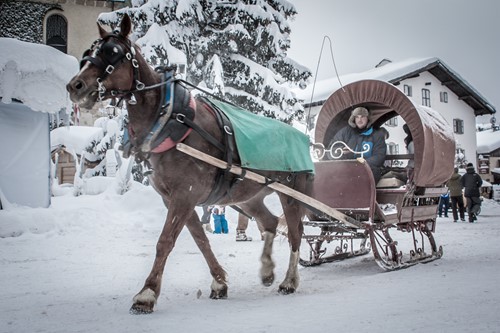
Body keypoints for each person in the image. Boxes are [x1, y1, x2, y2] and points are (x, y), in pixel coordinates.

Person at [328, 107, 387, 183]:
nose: (359, 120)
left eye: (362, 117)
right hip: (346, 170)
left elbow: (379, 157)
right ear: (353, 119)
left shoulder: (376, 135)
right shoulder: (345, 132)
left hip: (367, 171)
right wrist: (341, 151)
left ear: (368, 118)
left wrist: (363, 163)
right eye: (357, 117)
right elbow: (331, 150)